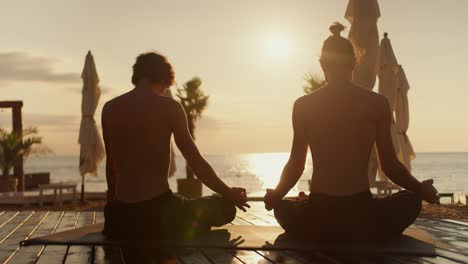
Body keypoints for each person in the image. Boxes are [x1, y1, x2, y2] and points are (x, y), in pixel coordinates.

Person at [264, 23, 438, 242]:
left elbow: (296, 165)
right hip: (362, 216)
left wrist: (276, 195)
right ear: (354, 62)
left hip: (318, 218)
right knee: (410, 200)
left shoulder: (304, 105)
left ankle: (306, 210)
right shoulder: (377, 104)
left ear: (322, 64)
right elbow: (390, 165)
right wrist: (420, 188)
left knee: (283, 208)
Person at [102, 52, 249, 242]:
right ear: (163, 78)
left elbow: (111, 166)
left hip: (120, 218)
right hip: (159, 217)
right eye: (166, 86)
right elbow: (195, 162)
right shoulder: (170, 108)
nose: (164, 91)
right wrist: (229, 193)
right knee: (225, 208)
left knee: (184, 206)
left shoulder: (109, 108)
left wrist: (115, 208)